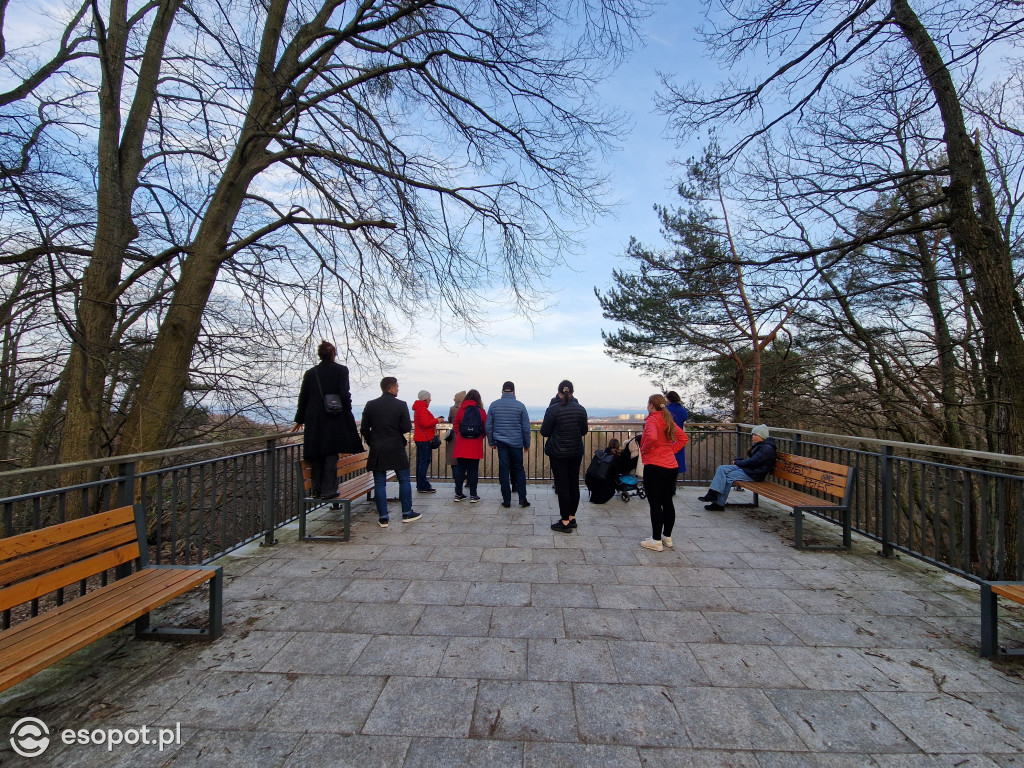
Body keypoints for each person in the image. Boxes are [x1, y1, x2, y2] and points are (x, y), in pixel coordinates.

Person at [291, 341, 363, 498]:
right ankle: (329, 489)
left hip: (314, 419)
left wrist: (299, 419)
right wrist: (347, 411)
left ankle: (317, 489)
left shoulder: (311, 373)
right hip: (333, 417)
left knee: (317, 453)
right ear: (333, 354)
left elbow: (303, 397)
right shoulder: (341, 370)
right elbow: (344, 394)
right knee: (331, 453)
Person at [360, 377, 420, 527]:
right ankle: (406, 513)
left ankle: (383, 517)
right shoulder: (400, 405)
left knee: (379, 483)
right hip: (396, 447)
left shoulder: (371, 405)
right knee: (404, 480)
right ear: (391, 388)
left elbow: (364, 429)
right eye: (397, 387)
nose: (398, 389)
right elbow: (406, 427)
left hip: (378, 448)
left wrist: (372, 441)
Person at [639, 394, 687, 551]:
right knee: (667, 502)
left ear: (651, 405)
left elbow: (651, 437)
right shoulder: (667, 419)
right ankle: (667, 537)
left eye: (648, 403)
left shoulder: (652, 419)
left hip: (655, 466)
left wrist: (645, 449)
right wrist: (670, 451)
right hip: (671, 466)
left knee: (654, 503)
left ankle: (656, 540)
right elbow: (683, 438)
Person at [540, 380, 588, 533]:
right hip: (575, 452)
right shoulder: (581, 409)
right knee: (574, 484)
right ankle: (572, 517)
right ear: (573, 391)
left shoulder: (553, 410)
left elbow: (544, 432)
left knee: (562, 486)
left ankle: (565, 521)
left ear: (558, 392)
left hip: (558, 453)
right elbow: (584, 431)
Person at [699, 424, 777, 510]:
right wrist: (739, 461)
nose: (753, 437)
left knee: (728, 477)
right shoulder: (761, 445)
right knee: (722, 468)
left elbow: (753, 462)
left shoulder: (766, 448)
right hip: (750, 470)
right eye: (753, 435)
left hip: (755, 473)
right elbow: (754, 460)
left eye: (755, 435)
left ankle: (718, 504)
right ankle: (712, 494)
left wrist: (738, 462)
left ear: (762, 436)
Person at [487, 381, 531, 508]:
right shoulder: (520, 406)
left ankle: (506, 500)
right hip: (517, 443)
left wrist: (491, 442)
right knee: (519, 469)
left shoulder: (494, 405)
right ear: (514, 391)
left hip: (501, 443)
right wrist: (526, 444)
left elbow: (489, 425)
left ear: (502, 391)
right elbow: (526, 428)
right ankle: (522, 498)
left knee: (504, 470)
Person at [452, 388, 487, 503]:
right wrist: (480, 436)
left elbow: (456, 424)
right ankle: (473, 495)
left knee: (460, 469)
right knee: (473, 470)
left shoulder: (461, 410)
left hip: (462, 444)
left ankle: (458, 493)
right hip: (475, 445)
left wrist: (460, 434)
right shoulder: (481, 411)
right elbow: (485, 426)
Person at [412, 391, 444, 493]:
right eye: (429, 397)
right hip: (424, 440)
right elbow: (425, 423)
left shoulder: (420, 408)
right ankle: (423, 485)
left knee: (421, 462)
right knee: (424, 462)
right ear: (425, 398)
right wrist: (437, 421)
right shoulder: (422, 409)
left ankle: (421, 484)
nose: (430, 399)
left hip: (421, 439)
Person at [665, 391, 689, 473]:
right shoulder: (683, 411)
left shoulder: (665, 411)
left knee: (666, 460)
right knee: (677, 460)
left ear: (668, 399)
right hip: (679, 437)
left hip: (667, 437)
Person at [445, 390, 466, 469]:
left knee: (454, 459)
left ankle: (457, 479)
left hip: (455, 435)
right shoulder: (466, 409)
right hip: (464, 435)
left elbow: (450, 419)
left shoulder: (453, 409)